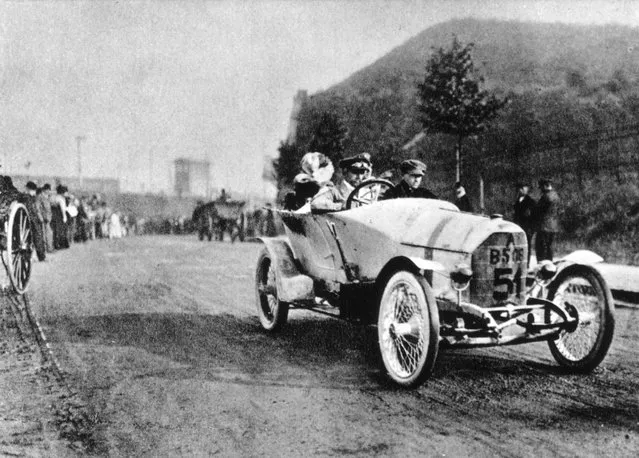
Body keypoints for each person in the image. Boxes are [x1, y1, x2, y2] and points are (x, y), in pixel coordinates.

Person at [534, 178, 560, 262]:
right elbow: (560, 211)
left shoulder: (545, 197)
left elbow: (538, 210)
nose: (540, 189)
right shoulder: (556, 196)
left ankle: (542, 267)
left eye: (541, 187)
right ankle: (549, 266)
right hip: (553, 226)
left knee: (541, 249)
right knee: (550, 248)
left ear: (545, 186)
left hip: (544, 226)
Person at [513, 182, 536, 264]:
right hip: (518, 227)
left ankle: (526, 264)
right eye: (521, 188)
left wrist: (531, 229)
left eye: (525, 188)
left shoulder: (531, 202)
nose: (523, 190)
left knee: (526, 246)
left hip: (527, 228)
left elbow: (533, 216)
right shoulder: (517, 201)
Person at [24, 181, 46, 261]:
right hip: (32, 220)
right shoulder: (28, 198)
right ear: (28, 189)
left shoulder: (29, 197)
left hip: (29, 220)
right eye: (32, 190)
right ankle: (40, 256)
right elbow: (33, 210)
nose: (34, 192)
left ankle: (33, 255)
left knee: (34, 238)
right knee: (38, 237)